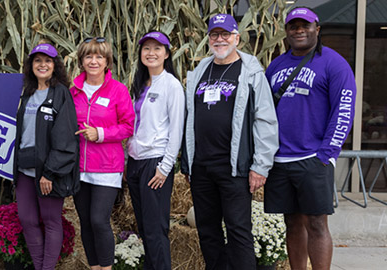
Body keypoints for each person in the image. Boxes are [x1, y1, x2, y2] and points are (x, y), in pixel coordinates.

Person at [181, 14, 279, 269]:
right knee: (207, 231)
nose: (220, 39)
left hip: (234, 167)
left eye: (226, 34)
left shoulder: (251, 72)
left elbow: (266, 121)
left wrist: (260, 165)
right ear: (209, 39)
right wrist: (189, 162)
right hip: (202, 167)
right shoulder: (200, 70)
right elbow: (189, 119)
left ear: (237, 38)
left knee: (238, 232)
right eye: (215, 34)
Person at [264, 7, 356, 270]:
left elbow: (344, 109)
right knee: (291, 222)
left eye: (305, 26)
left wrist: (327, 152)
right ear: (286, 32)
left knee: (316, 223)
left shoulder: (334, 63)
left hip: (313, 157)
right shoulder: (276, 65)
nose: (299, 30)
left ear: (317, 29)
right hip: (280, 159)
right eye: (293, 26)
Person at [13, 43, 80, 270]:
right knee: (28, 220)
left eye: (48, 61)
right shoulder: (27, 93)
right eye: (38, 61)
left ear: (55, 66)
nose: (42, 65)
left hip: (48, 172)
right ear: (31, 65)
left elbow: (65, 139)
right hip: (24, 169)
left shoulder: (60, 94)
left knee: (51, 221)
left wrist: (50, 173)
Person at [71, 37, 135, 270]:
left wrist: (100, 133)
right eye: (89, 55)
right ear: (81, 60)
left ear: (107, 61)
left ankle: (107, 268)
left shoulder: (118, 90)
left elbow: (128, 126)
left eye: (99, 56)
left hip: (107, 167)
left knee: (99, 220)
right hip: (79, 168)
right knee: (86, 222)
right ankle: (94, 267)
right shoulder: (73, 91)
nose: (94, 61)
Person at [126, 31, 184, 270]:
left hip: (155, 163)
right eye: (146, 48)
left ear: (167, 54)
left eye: (157, 48)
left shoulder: (171, 85)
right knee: (144, 229)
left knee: (155, 229)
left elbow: (177, 129)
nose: (151, 53)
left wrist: (164, 167)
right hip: (136, 162)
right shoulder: (140, 84)